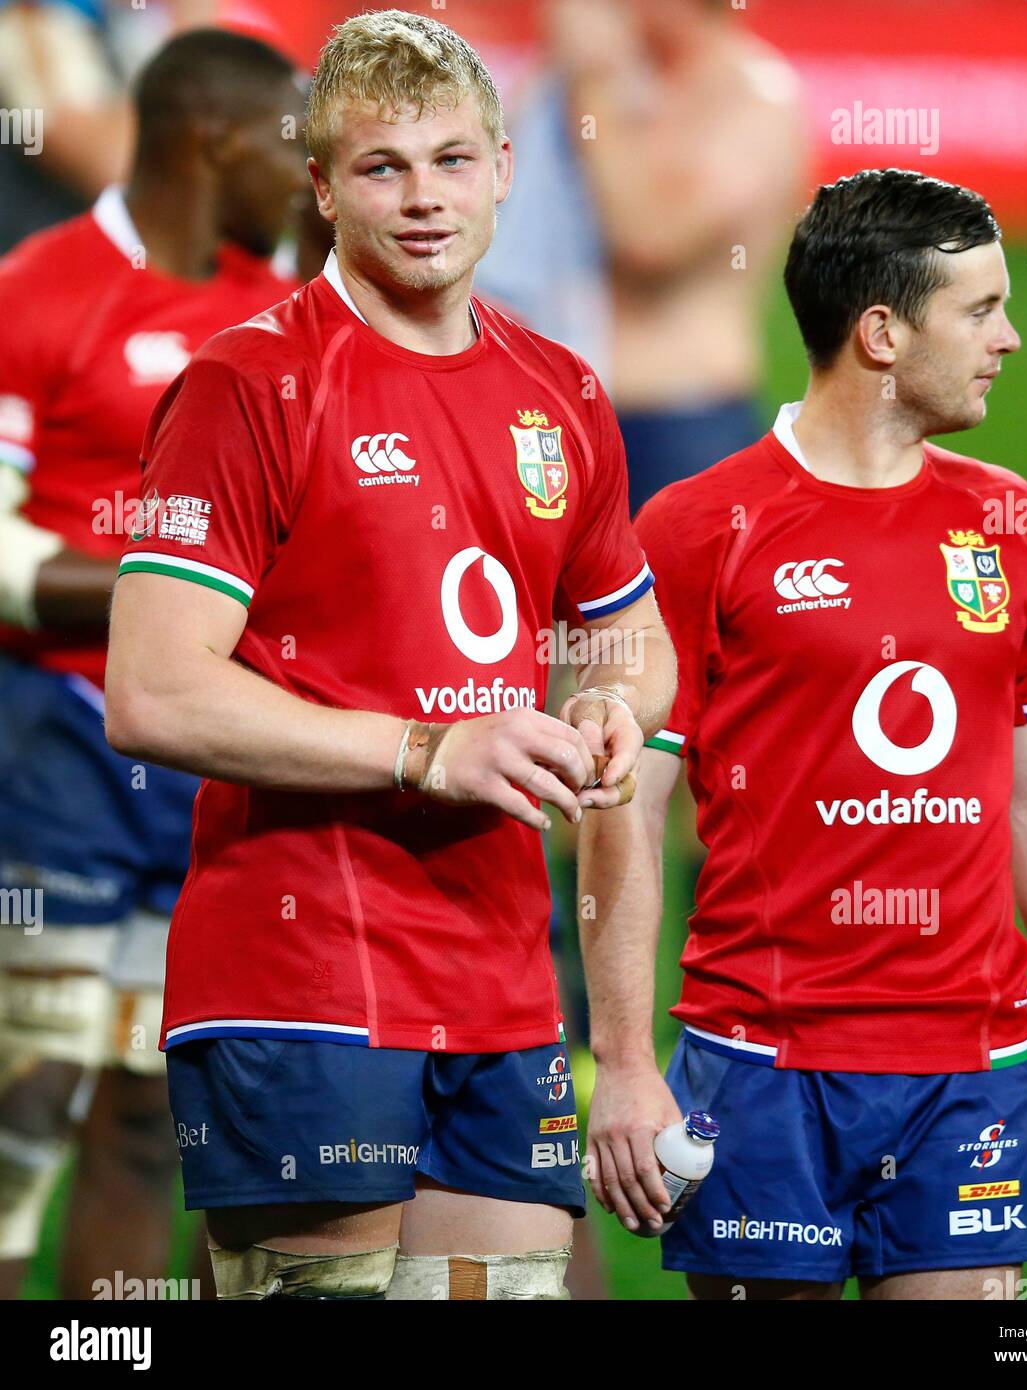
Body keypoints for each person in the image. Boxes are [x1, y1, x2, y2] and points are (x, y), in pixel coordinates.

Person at [104, 8, 674, 1301]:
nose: (424, 199)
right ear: (321, 185)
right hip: (298, 970)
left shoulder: (562, 392)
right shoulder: (248, 383)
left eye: (452, 160)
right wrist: (429, 747)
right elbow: (152, 688)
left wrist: (617, 701)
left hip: (498, 972)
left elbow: (626, 631)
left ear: (504, 169)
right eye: (382, 167)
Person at [579, 169, 1027, 1300]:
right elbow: (623, 802)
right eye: (979, 310)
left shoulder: (1009, 521)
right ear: (881, 332)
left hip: (971, 1068)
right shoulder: (696, 529)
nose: (1011, 337)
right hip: (760, 1065)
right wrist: (628, 1062)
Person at [0, 26, 304, 1298]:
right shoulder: (38, 286)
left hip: (203, 755)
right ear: (213, 139)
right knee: (28, 1105)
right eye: (291, 148)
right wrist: (170, 592)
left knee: (143, 1101)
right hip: (57, 736)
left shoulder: (272, 311)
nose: (310, 175)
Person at [550, 0, 805, 512]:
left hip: (682, 424)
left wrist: (594, 85)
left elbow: (651, 239)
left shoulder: (754, 100)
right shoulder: (642, 86)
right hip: (579, 419)